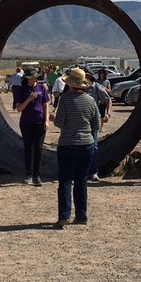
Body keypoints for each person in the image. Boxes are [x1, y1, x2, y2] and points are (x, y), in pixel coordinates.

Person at [50, 67, 100, 228]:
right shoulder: (91, 100)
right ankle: (81, 216)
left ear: (71, 84)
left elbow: (59, 122)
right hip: (86, 144)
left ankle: (64, 215)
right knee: (81, 180)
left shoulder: (65, 99)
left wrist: (53, 118)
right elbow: (96, 125)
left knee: (65, 180)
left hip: (67, 143)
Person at [14, 68, 50, 185]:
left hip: (39, 122)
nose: (33, 79)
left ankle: (37, 176)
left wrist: (47, 120)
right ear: (27, 78)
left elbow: (46, 105)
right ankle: (28, 174)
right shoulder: (22, 90)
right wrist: (29, 99)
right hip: (26, 123)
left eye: (35, 77)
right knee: (28, 149)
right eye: (31, 77)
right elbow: (19, 108)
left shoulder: (41, 88)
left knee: (38, 149)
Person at [86, 72, 112, 181]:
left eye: (86, 75)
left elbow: (108, 100)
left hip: (93, 121)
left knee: (94, 147)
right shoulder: (77, 86)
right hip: (80, 121)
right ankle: (81, 171)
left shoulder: (97, 87)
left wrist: (108, 114)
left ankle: (93, 171)